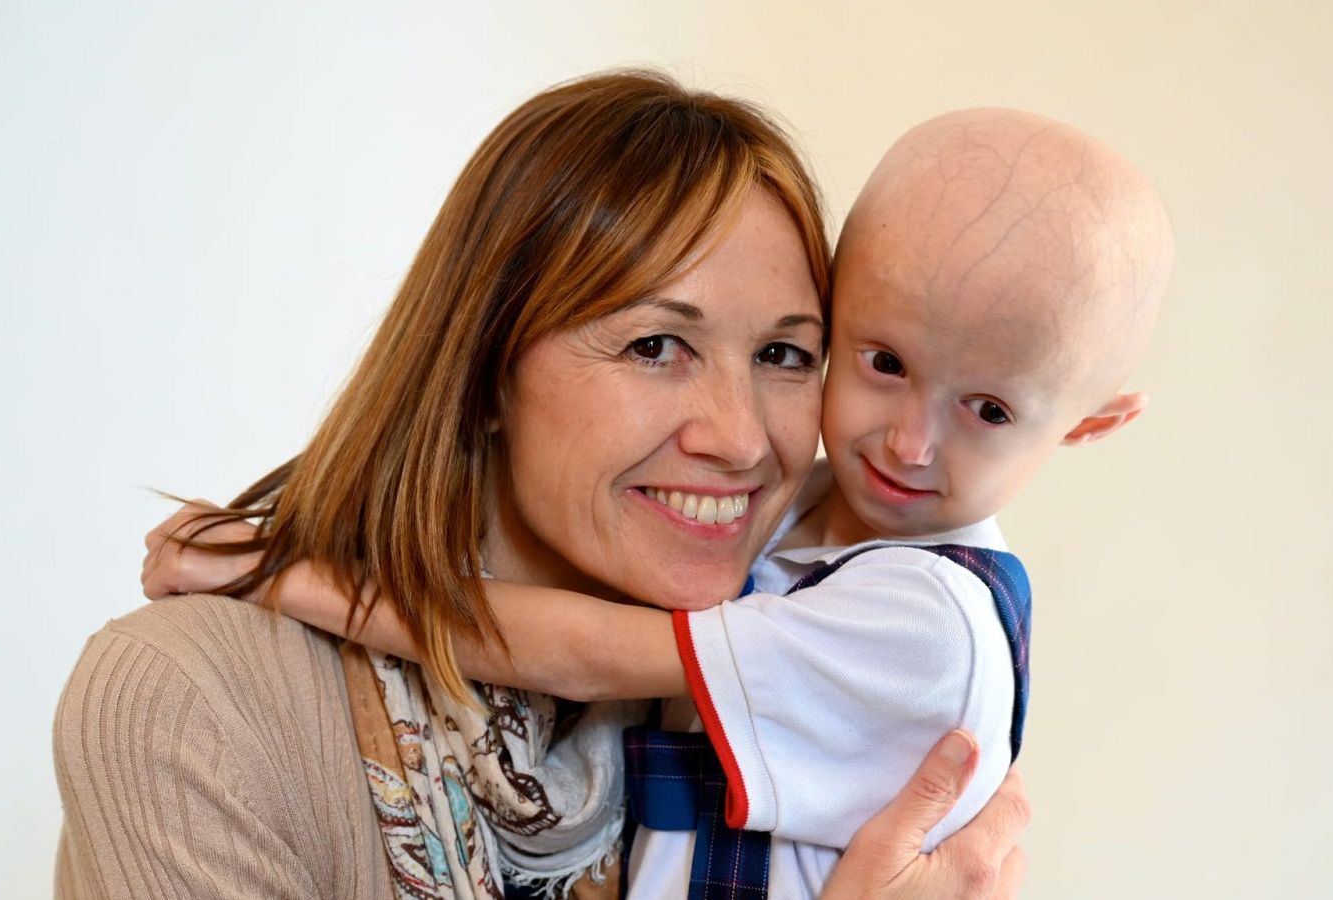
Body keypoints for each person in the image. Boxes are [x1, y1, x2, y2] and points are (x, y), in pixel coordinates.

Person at [146, 107, 1172, 898]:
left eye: (778, 352)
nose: (908, 442)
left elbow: (580, 647)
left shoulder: (920, 618)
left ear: (1088, 425)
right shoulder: (197, 702)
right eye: (883, 362)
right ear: (485, 364)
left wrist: (284, 571)